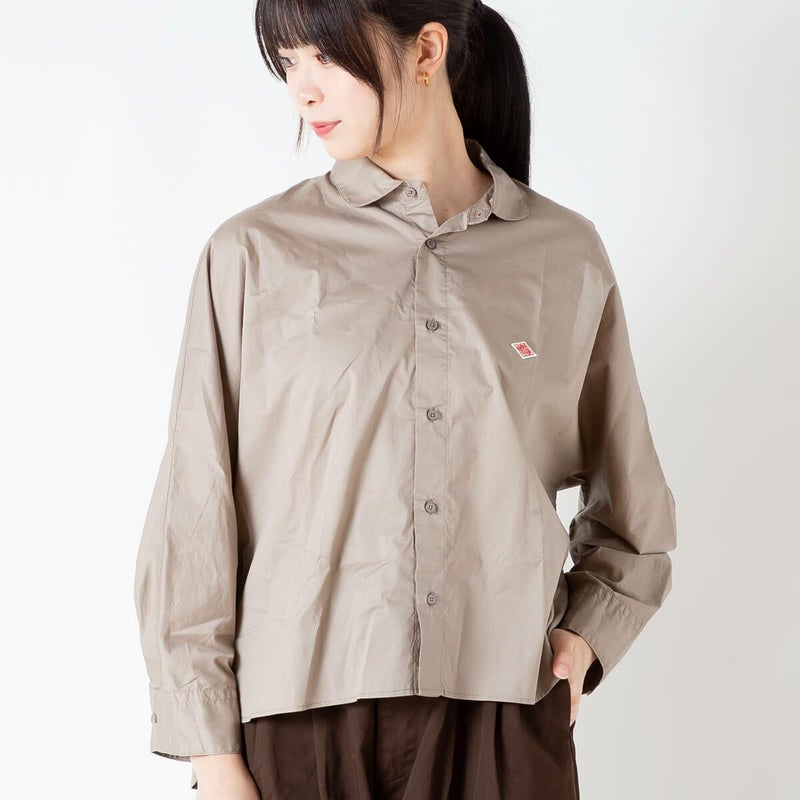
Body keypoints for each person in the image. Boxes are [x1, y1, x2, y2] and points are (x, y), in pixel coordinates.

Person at [133, 1, 677, 798]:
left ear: (426, 51)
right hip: (301, 724)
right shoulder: (253, 255)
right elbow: (195, 516)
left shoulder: (564, 255)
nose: (302, 91)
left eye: (324, 56)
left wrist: (588, 634)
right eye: (287, 63)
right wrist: (211, 753)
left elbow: (634, 515)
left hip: (503, 720)